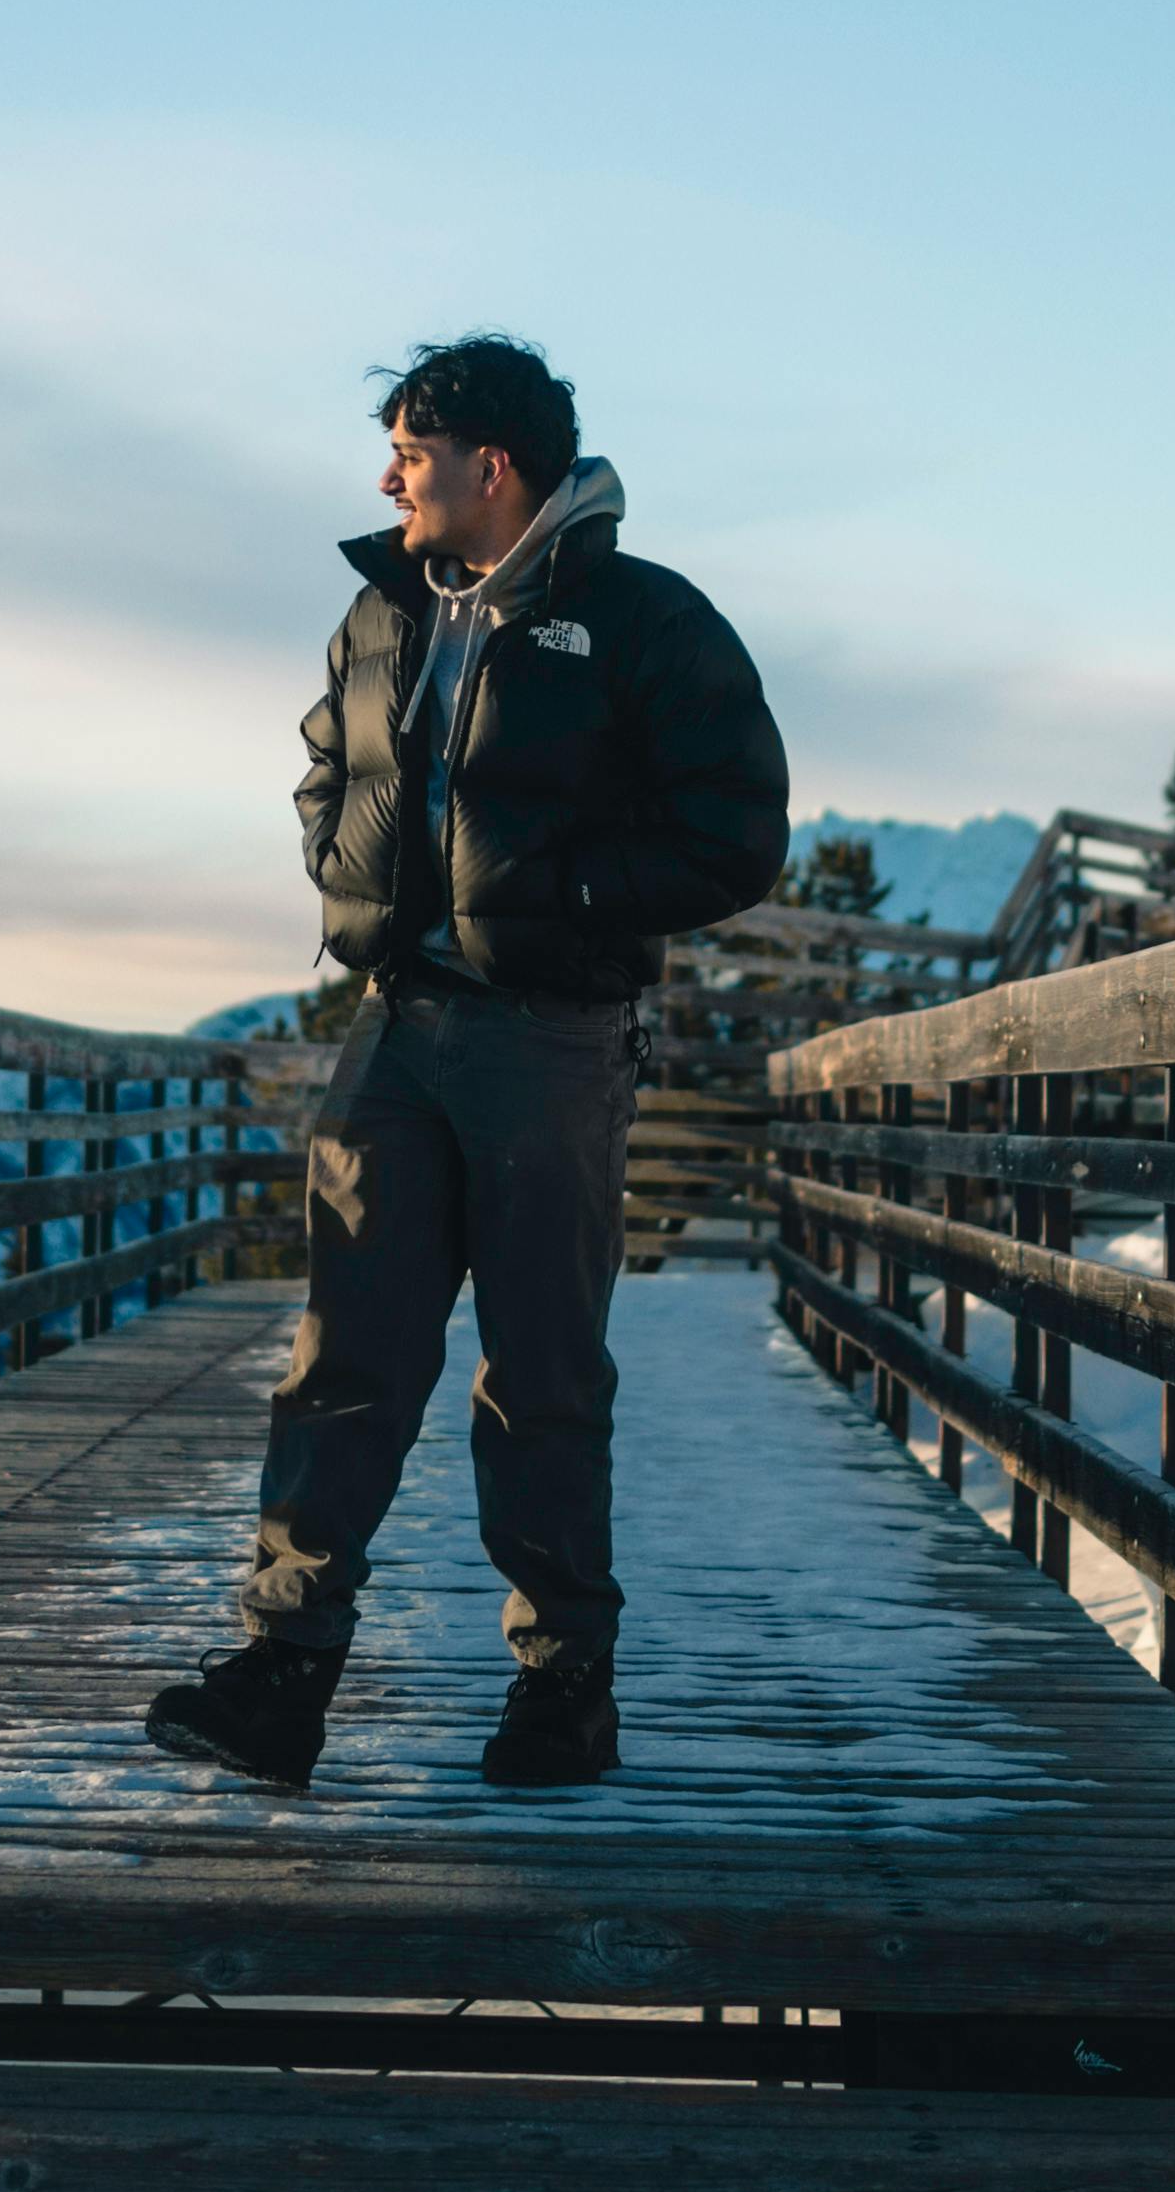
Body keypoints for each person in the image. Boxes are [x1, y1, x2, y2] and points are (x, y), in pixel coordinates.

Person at [143, 336, 790, 1797]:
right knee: (343, 1361)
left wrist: (561, 901)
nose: (389, 478)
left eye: (411, 453)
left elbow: (738, 831)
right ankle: (281, 1677)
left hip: (551, 1038)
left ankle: (564, 1693)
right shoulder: (379, 615)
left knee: (540, 1372)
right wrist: (344, 861)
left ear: (490, 466)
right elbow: (331, 762)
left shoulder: (639, 619)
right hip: (393, 1022)